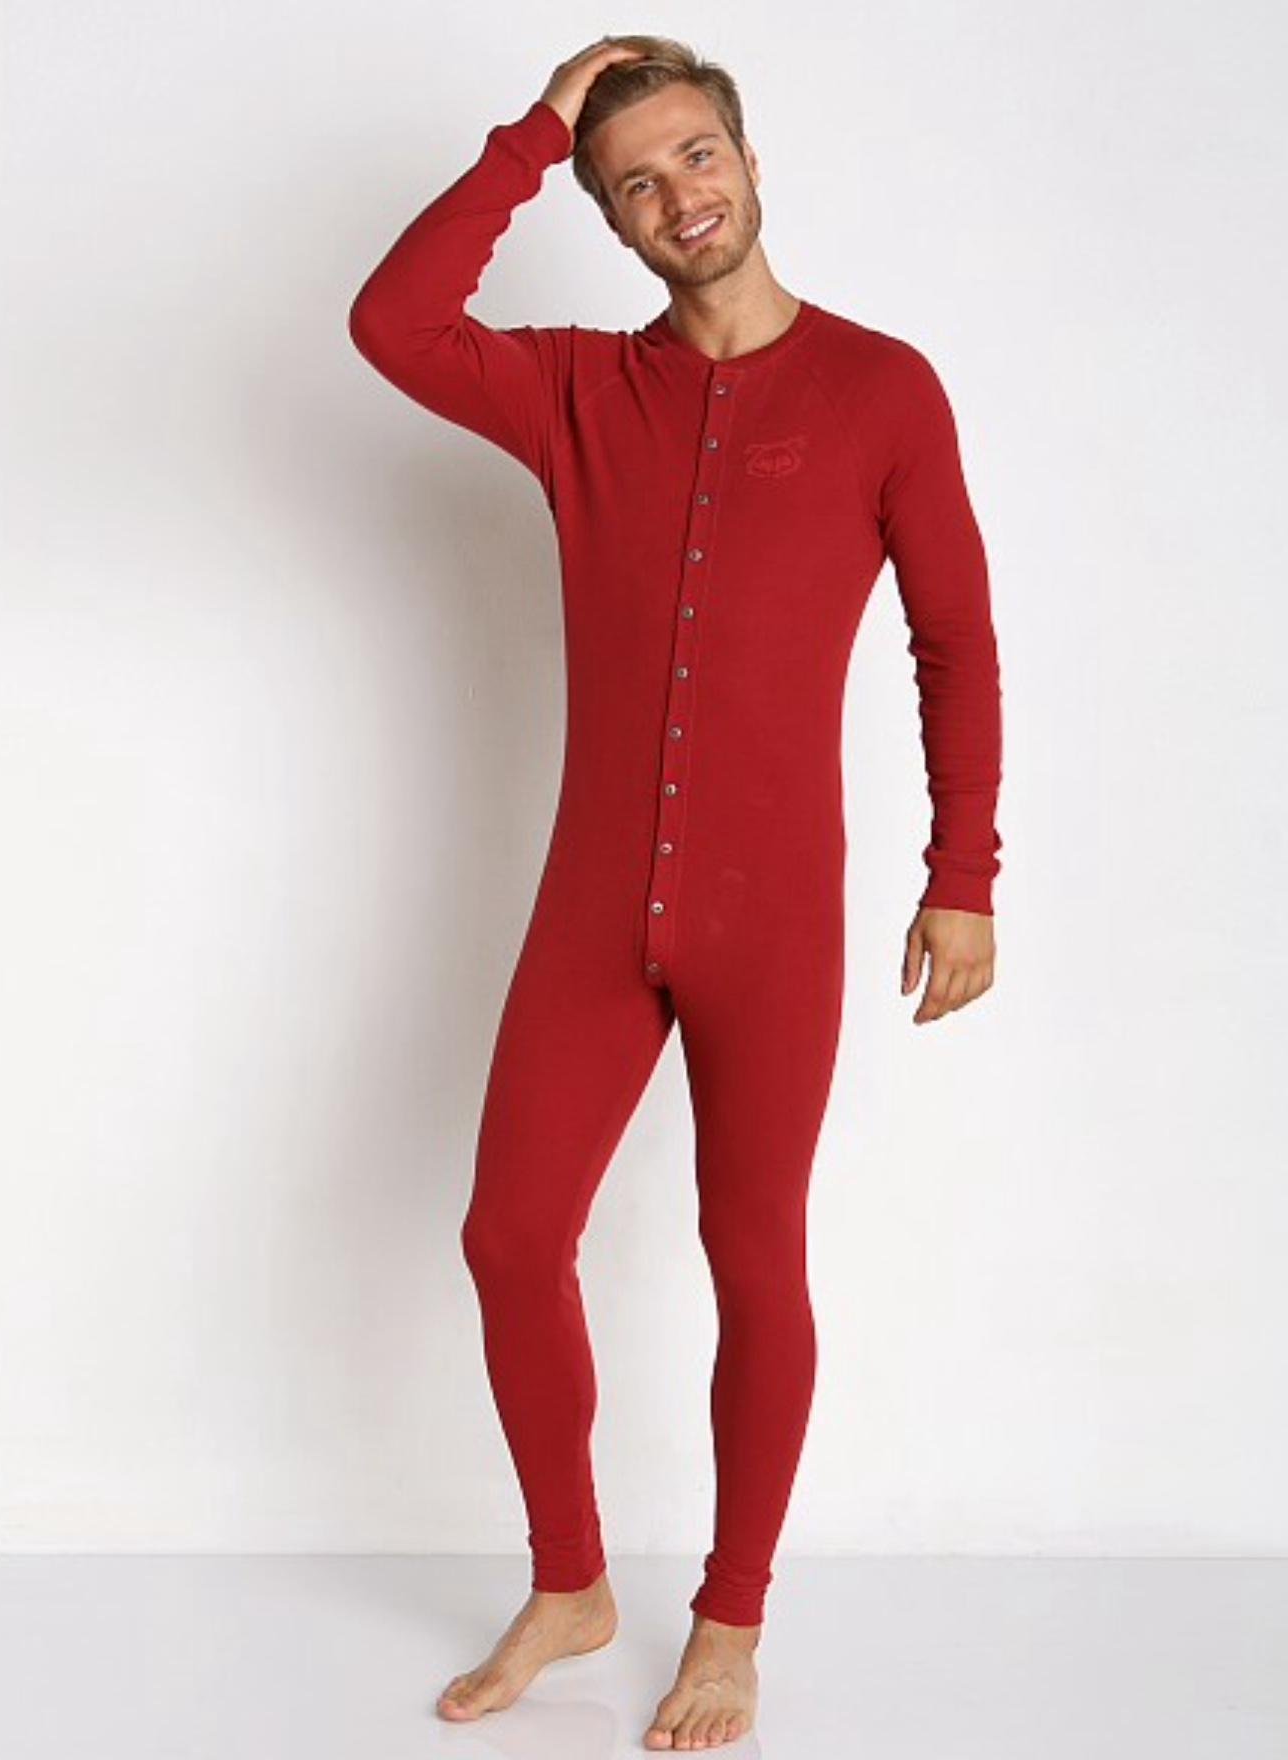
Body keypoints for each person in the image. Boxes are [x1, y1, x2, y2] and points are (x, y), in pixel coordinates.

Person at [348, 33, 1002, 1752]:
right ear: (612, 219)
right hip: (592, 910)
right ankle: (572, 1582)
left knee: (751, 1254)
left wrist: (964, 874)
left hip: (771, 918)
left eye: (698, 155)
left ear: (751, 161)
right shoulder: (575, 394)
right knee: (508, 1235)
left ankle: (731, 1617)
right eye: (635, 181)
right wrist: (537, 130)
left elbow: (954, 643)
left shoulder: (883, 390)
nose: (678, 196)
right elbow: (392, 325)